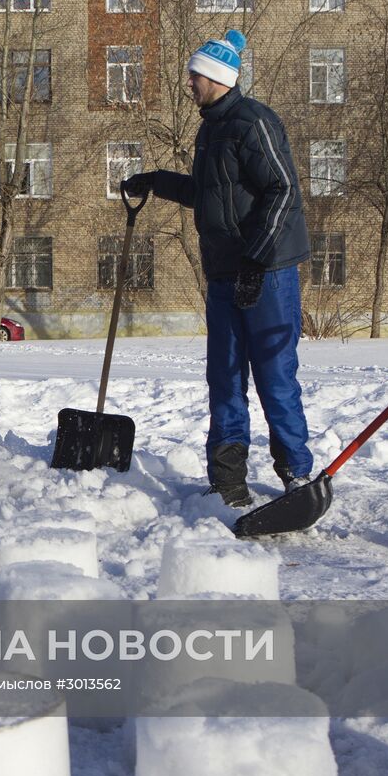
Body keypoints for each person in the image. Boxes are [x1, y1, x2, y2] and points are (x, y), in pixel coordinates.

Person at [123, 29, 311, 508]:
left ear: (216, 77)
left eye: (194, 75)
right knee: (224, 375)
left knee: (274, 374)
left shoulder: (254, 121)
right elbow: (209, 195)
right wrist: (156, 181)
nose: (188, 82)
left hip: (266, 272)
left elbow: (284, 190)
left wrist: (256, 257)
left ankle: (296, 473)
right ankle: (228, 481)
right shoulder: (211, 128)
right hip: (225, 273)